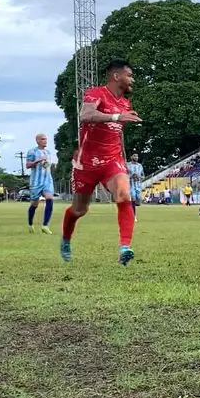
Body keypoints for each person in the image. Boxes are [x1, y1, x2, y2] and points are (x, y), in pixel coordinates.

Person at [61, 60, 142, 265]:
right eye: (130, 75)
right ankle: (66, 239)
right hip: (86, 163)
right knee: (79, 210)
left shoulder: (125, 103)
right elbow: (85, 115)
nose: (132, 79)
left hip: (112, 161)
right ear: (117, 76)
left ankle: (125, 247)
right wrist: (116, 116)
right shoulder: (96, 93)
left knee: (124, 194)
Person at [26, 133, 55, 235]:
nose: (45, 141)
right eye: (43, 139)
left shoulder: (48, 152)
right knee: (35, 204)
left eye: (46, 139)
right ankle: (30, 224)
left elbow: (47, 166)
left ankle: (45, 225)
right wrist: (36, 161)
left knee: (50, 198)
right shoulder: (32, 152)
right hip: (36, 182)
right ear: (37, 140)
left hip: (47, 180)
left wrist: (46, 164)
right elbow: (28, 165)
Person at [126, 153, 144, 222]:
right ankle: (134, 216)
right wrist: (131, 176)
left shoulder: (140, 166)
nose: (136, 157)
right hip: (130, 185)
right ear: (131, 157)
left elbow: (143, 176)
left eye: (137, 156)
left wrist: (138, 177)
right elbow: (124, 174)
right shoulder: (127, 165)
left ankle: (128, 209)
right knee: (133, 198)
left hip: (138, 186)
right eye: (134, 156)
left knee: (138, 201)